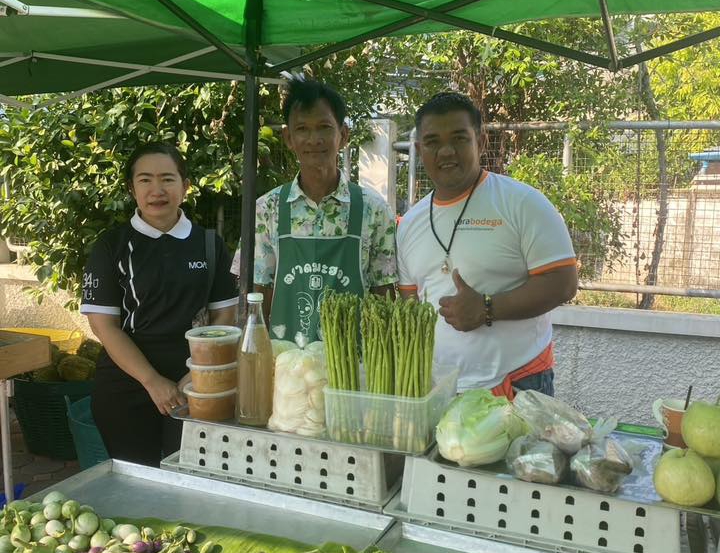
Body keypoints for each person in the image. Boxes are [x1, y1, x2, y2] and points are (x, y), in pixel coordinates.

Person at [397, 91, 578, 397]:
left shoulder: (522, 202)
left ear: (480, 142)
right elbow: (410, 304)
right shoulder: (409, 224)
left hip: (519, 385)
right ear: (418, 149)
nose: (446, 152)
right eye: (432, 142)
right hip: (440, 390)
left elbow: (563, 283)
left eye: (459, 138)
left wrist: (487, 308)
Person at [80, 142, 239, 466]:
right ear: (131, 188)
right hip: (126, 386)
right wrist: (153, 382)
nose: (157, 190)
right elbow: (103, 325)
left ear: (185, 186)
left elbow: (225, 314)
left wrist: (196, 374)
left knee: (192, 477)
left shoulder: (209, 244)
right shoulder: (112, 245)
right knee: (134, 483)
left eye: (167, 179)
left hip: (195, 382)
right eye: (145, 180)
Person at [232, 77, 397, 343]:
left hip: (356, 369)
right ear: (288, 137)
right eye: (302, 129)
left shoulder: (374, 210)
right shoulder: (266, 210)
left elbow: (384, 294)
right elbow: (255, 295)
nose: (314, 139)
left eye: (324, 127)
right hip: (287, 370)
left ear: (343, 135)